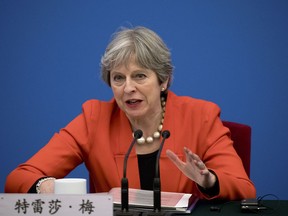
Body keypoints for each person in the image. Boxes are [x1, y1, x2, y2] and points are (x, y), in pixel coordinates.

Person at [5, 26, 256, 200]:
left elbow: (245, 189)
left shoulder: (200, 116)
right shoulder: (94, 119)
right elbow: (19, 177)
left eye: (139, 76)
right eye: (118, 78)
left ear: (164, 80)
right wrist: (44, 186)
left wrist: (208, 180)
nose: (128, 88)